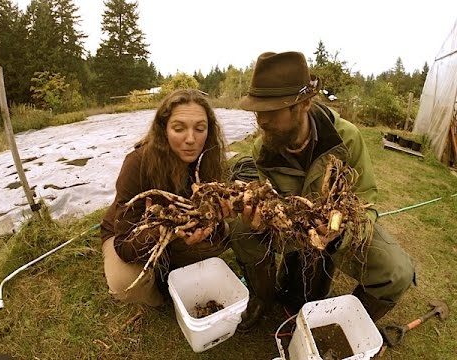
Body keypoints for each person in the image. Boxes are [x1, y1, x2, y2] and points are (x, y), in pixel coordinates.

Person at [231, 51, 416, 331]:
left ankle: (345, 324)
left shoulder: (346, 138)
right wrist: (260, 219)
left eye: (271, 111)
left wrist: (339, 231)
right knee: (239, 229)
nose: (261, 121)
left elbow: (366, 199)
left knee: (396, 271)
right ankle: (262, 297)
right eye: (258, 111)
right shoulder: (262, 149)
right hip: (290, 227)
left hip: (339, 231)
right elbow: (268, 199)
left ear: (303, 105)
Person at [100, 88, 229, 306]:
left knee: (221, 236)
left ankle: (172, 266)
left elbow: (209, 220)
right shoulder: (137, 163)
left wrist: (211, 219)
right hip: (128, 233)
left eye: (200, 129)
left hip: (176, 230)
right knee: (124, 284)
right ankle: (160, 300)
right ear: (164, 130)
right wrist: (165, 230)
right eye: (179, 129)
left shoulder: (208, 160)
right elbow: (124, 246)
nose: (191, 139)